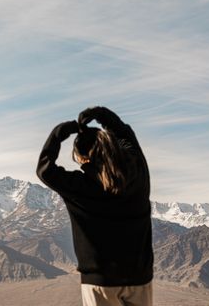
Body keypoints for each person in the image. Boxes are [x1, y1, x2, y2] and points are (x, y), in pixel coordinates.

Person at [36, 106, 153, 306]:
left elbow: (45, 170)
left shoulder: (79, 187)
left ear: (82, 157)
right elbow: (127, 135)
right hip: (140, 277)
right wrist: (100, 114)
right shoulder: (137, 174)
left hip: (100, 282)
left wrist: (59, 133)